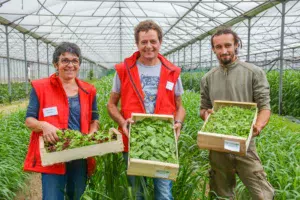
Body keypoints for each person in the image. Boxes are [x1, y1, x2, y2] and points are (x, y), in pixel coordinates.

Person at [107, 20, 185, 200]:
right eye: (144, 42)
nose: (149, 46)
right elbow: (111, 105)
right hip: (134, 139)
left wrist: (178, 122)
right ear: (137, 44)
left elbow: (180, 107)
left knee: (164, 194)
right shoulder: (124, 70)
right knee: (136, 193)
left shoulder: (172, 71)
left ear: (160, 43)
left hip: (163, 141)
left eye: (153, 41)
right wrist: (122, 122)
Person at [200, 28, 274, 199]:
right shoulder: (208, 78)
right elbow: (203, 109)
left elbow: (265, 106)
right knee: (221, 193)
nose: (223, 51)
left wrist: (258, 126)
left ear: (236, 45)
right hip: (217, 145)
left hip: (245, 145)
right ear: (213, 49)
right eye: (218, 47)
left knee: (262, 193)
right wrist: (207, 116)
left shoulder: (253, 72)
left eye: (228, 45)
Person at [23, 42, 99, 200]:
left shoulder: (88, 90)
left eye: (75, 61)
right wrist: (43, 125)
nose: (70, 65)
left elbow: (94, 120)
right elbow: (29, 120)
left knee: (76, 195)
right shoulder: (41, 88)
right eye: (65, 60)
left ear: (79, 64)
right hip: (53, 153)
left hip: (79, 154)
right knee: (52, 196)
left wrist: (91, 135)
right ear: (56, 64)